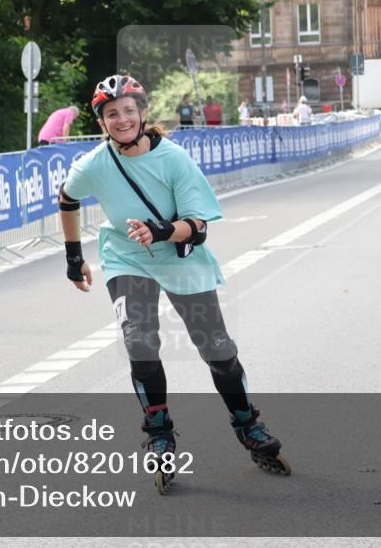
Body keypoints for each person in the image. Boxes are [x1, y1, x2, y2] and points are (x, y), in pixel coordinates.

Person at [58, 75, 289, 490]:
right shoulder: (94, 164)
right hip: (127, 258)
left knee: (216, 349)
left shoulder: (174, 159)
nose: (122, 119)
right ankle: (159, 433)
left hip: (180, 256)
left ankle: (247, 425)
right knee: (140, 339)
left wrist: (159, 231)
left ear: (143, 113)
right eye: (112, 113)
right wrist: (74, 258)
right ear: (103, 122)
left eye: (129, 110)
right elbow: (67, 198)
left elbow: (198, 226)